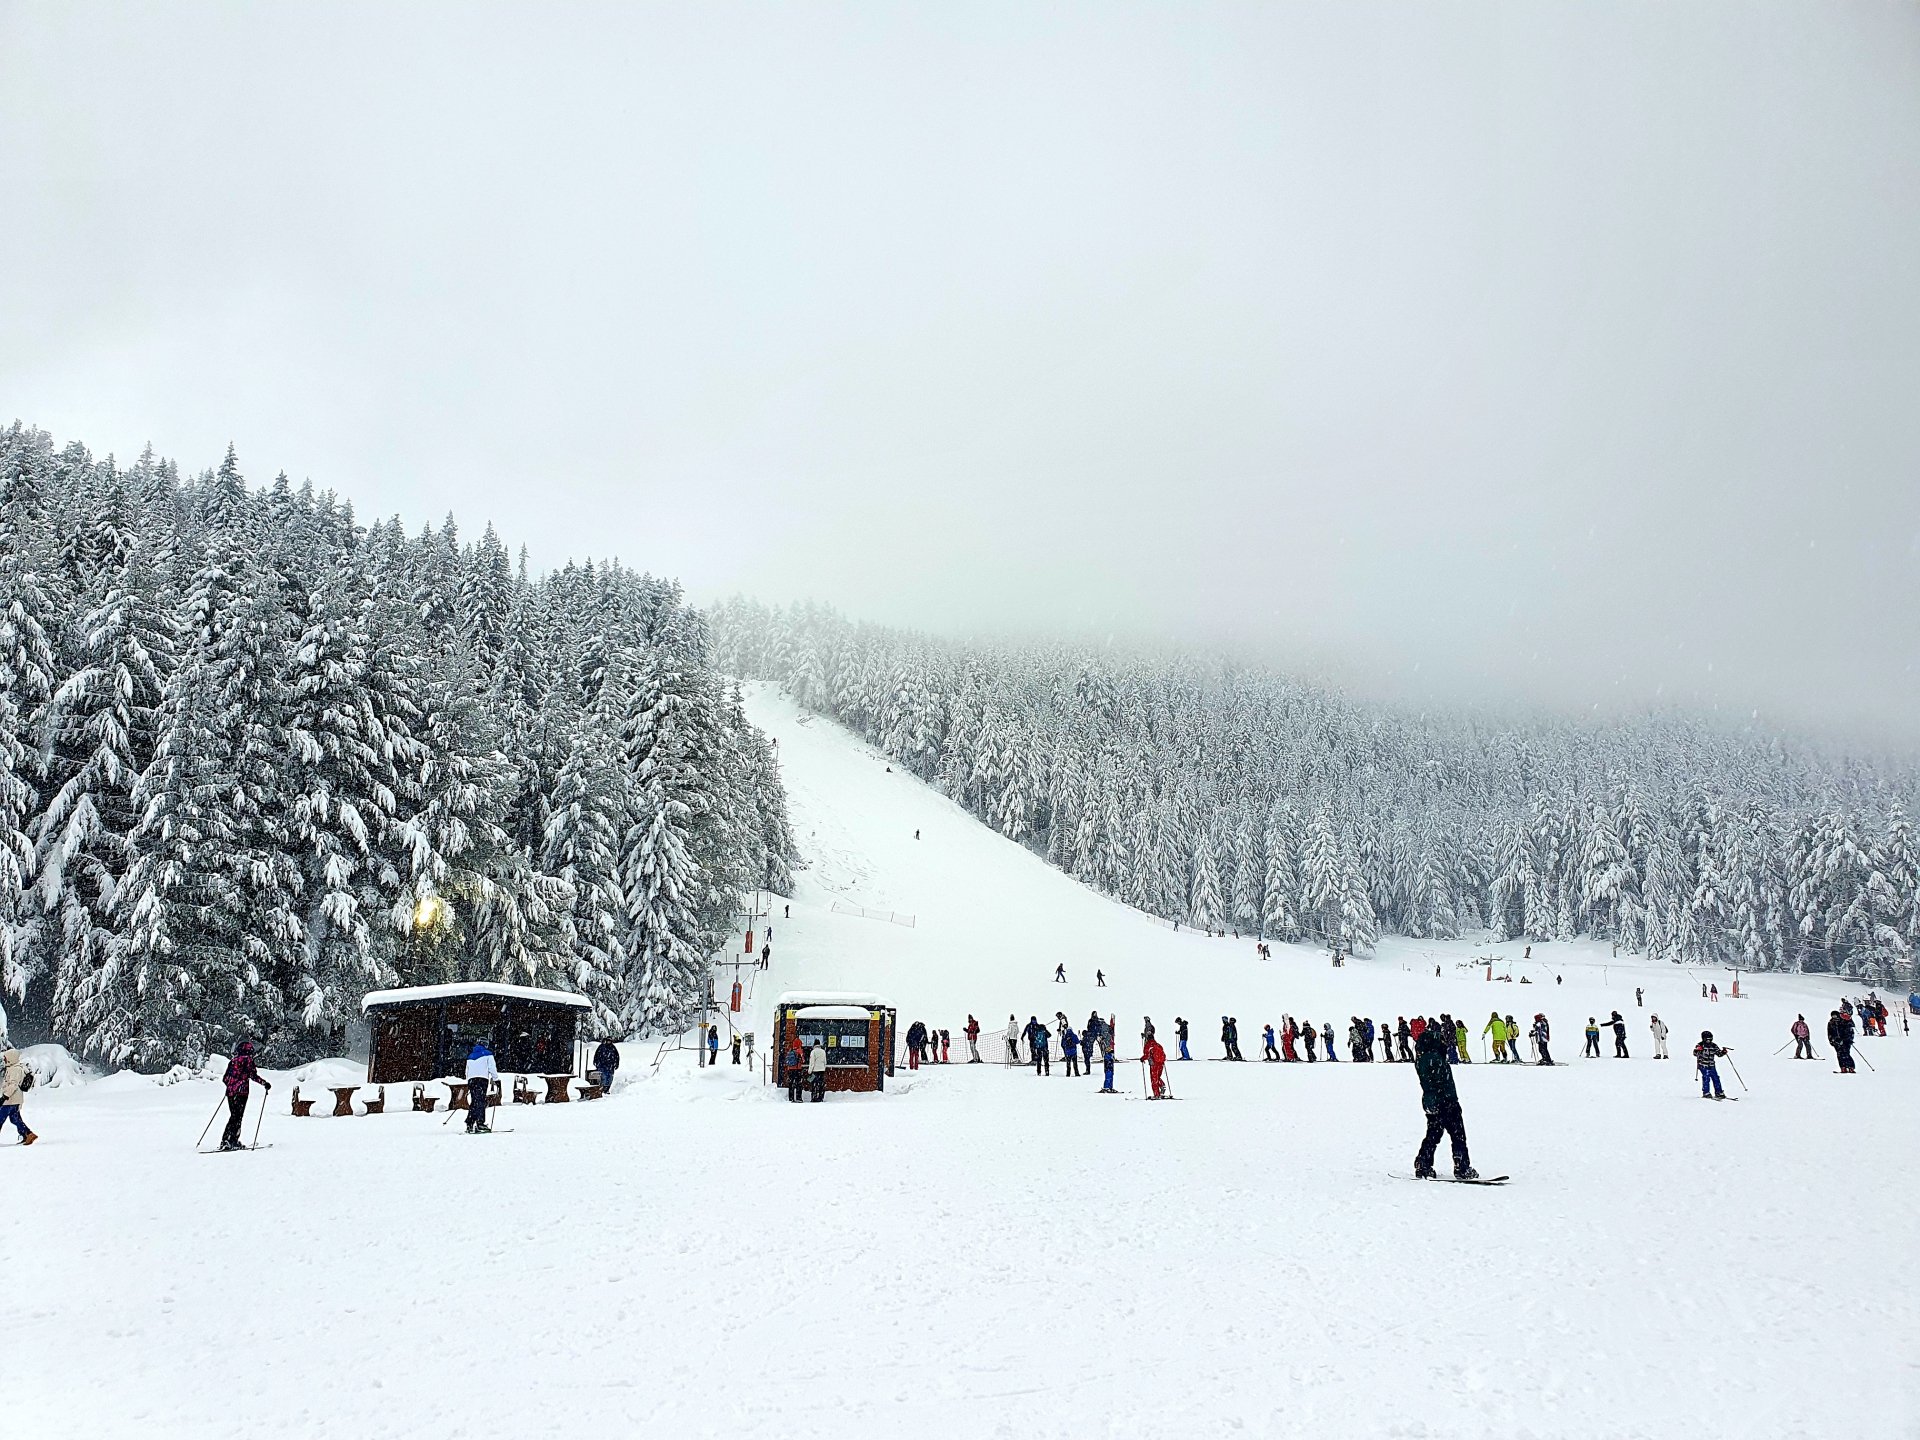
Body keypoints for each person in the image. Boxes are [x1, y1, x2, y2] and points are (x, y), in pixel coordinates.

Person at [1412, 1018, 1477, 1180]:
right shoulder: (1435, 1059)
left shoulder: (1422, 1059)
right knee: (1458, 1135)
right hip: (1446, 1102)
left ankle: (1423, 1163)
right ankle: (1462, 1167)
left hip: (1432, 1103)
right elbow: (1438, 1083)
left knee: (1433, 1134)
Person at [220, 1040, 273, 1150]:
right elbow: (253, 1076)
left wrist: (231, 1086)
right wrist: (264, 1083)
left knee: (233, 1116)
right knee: (238, 1117)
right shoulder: (248, 1060)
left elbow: (225, 1078)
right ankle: (233, 1141)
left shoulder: (233, 1061)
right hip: (241, 1093)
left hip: (230, 1093)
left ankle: (225, 1140)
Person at [0, 1045, 36, 1146]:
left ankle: (27, 1134)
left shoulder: (15, 1069)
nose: (5, 1060)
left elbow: (13, 1085)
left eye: (6, 1058)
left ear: (11, 1058)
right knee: (15, 1118)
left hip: (10, 1100)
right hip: (15, 1099)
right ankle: (28, 1134)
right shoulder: (16, 1068)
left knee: (0, 1118)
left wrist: (4, 1096)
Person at [463, 1041, 496, 1133]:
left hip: (472, 1080)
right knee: (481, 1100)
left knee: (475, 1101)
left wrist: (468, 1080)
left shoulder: (470, 1055)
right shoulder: (488, 1054)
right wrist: (496, 1078)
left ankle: (470, 1122)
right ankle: (480, 1123)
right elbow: (492, 1067)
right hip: (482, 1079)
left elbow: (467, 1070)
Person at [1694, 1031, 1728, 1099]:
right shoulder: (1700, 1045)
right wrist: (1698, 1050)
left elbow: (1718, 1054)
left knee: (1716, 1078)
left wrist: (1723, 1052)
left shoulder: (1714, 1045)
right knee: (1706, 1078)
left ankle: (1719, 1092)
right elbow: (1695, 1053)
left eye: (1710, 1039)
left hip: (1711, 1065)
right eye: (1707, 1039)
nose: (1708, 1041)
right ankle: (1706, 1092)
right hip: (1703, 1065)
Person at [1828, 1009, 1856, 1074]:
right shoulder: (1831, 1023)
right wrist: (1832, 1040)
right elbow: (1829, 1033)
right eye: (1833, 1016)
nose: (1834, 1018)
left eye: (1835, 1016)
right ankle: (1843, 1067)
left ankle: (1851, 1067)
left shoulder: (1844, 1021)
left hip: (1846, 1041)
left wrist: (1846, 1039)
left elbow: (1849, 1031)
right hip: (1836, 1042)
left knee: (1846, 1053)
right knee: (1839, 1054)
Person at [1143, 1032, 1168, 1098]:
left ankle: (1156, 1094)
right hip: (1161, 1063)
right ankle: (1162, 1085)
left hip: (1154, 1064)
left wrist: (1142, 1059)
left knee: (1154, 1079)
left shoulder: (1148, 1045)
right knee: (1157, 1077)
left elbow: (1146, 1054)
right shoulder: (1158, 1045)